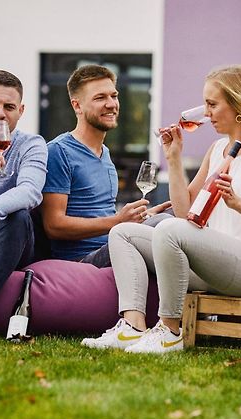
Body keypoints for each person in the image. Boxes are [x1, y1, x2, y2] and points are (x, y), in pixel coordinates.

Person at [81, 64, 241, 351]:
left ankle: (170, 331)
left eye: (212, 104)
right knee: (123, 233)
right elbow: (185, 212)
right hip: (216, 265)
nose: (206, 113)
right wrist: (173, 159)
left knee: (169, 228)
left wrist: (238, 204)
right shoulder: (218, 150)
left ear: (238, 104)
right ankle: (132, 326)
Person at [41, 64, 170, 270]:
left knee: (168, 218)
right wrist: (118, 221)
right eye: (100, 98)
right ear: (77, 106)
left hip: (113, 243)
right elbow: (53, 225)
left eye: (114, 95)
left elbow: (106, 215)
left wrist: (138, 219)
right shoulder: (59, 152)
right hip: (82, 259)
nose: (111, 104)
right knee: (165, 227)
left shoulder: (105, 153)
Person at [0, 70, 48, 310]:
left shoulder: (31, 144)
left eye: (9, 107)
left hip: (7, 239)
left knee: (18, 215)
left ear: (20, 111)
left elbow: (30, 191)